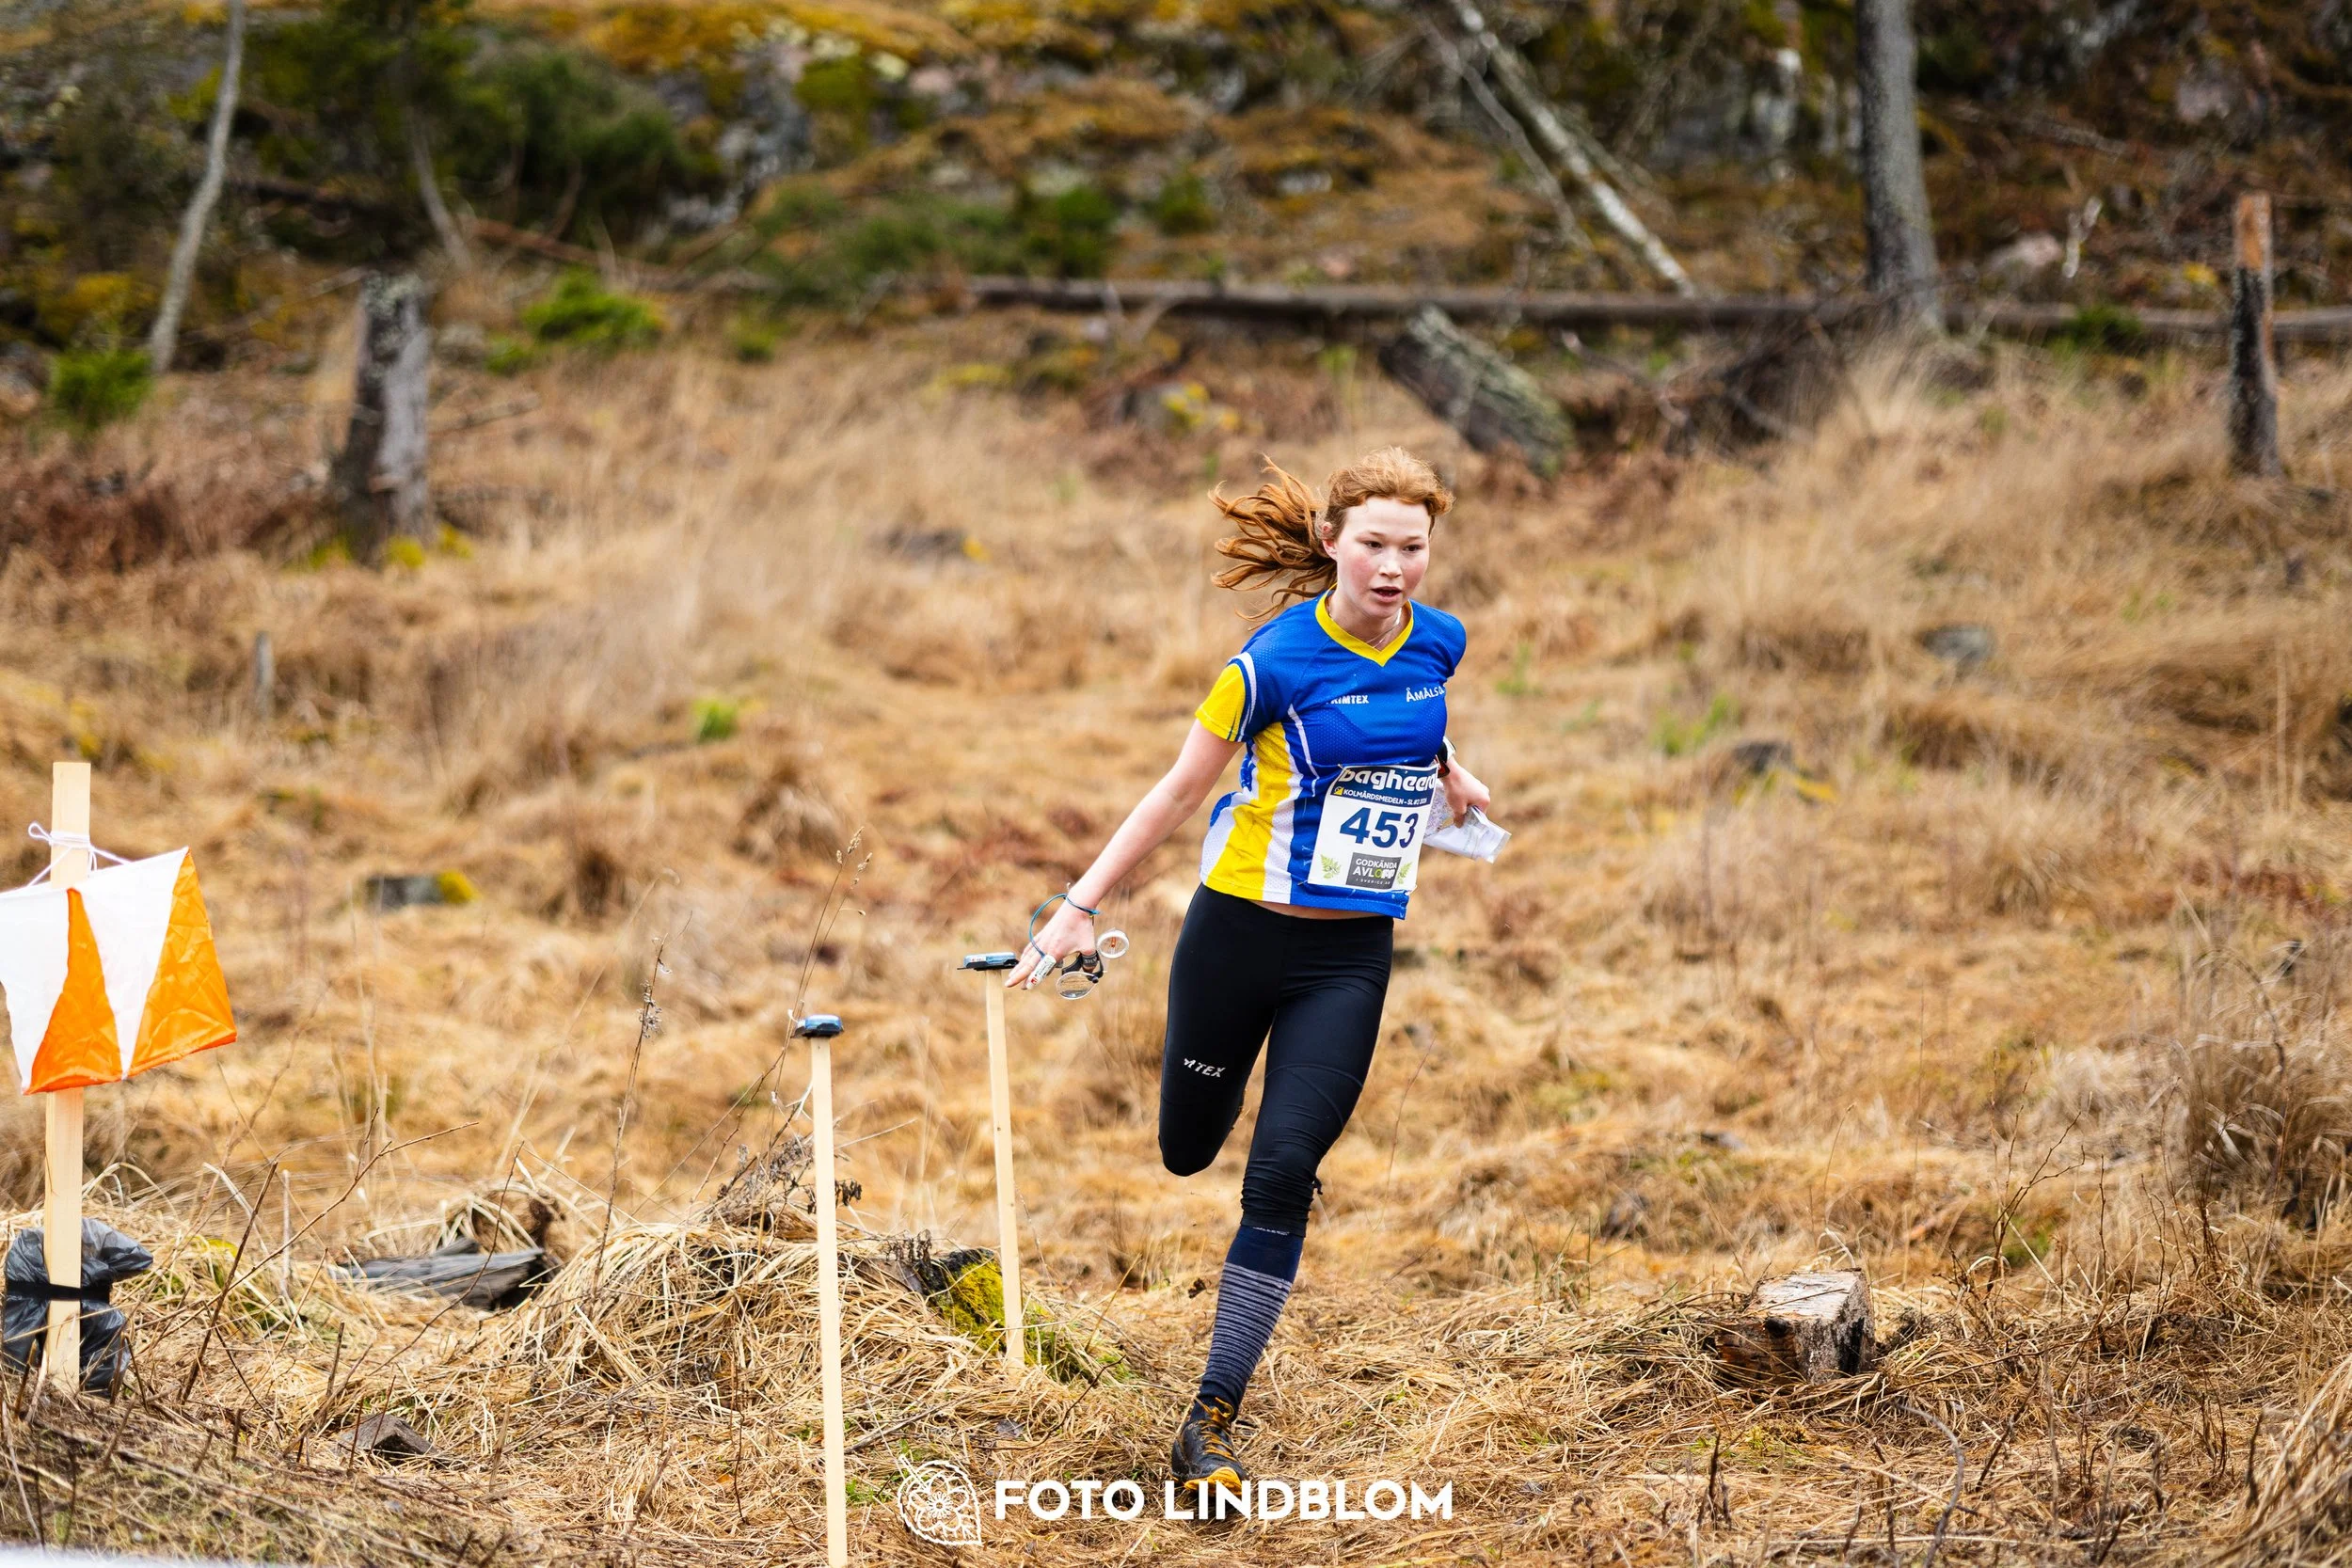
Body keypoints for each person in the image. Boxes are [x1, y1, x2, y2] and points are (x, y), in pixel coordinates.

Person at [1011, 446, 1493, 1507]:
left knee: (1282, 1170)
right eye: (1372, 544)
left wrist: (1445, 772)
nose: (1393, 568)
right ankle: (1201, 1105)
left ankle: (1209, 1419)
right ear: (1330, 542)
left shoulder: (1441, 641)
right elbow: (1176, 793)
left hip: (1347, 953)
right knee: (1189, 1148)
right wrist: (1077, 906)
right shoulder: (1267, 664)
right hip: (1236, 932)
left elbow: (1417, 709)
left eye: (1412, 548)